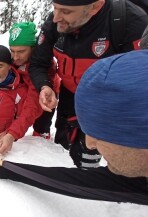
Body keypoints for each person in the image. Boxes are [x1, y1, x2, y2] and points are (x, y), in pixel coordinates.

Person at [0, 50, 148, 206]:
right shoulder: (139, 176)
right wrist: (7, 169)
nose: (90, 144)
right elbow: (77, 182)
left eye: (99, 133)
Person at [28, 0, 148, 168]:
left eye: (66, 12)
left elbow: (141, 83)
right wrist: (45, 85)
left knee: (90, 159)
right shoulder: (55, 23)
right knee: (61, 150)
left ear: (95, 6)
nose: (56, 18)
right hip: (70, 96)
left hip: (107, 104)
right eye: (54, 8)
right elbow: (38, 63)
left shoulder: (129, 23)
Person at [8, 22, 60, 140]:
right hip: (24, 88)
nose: (15, 57)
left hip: (46, 91)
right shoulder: (12, 60)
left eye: (21, 51)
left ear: (33, 48)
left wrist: (12, 134)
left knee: (42, 122)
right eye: (12, 50)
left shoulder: (45, 65)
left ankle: (41, 136)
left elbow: (33, 104)